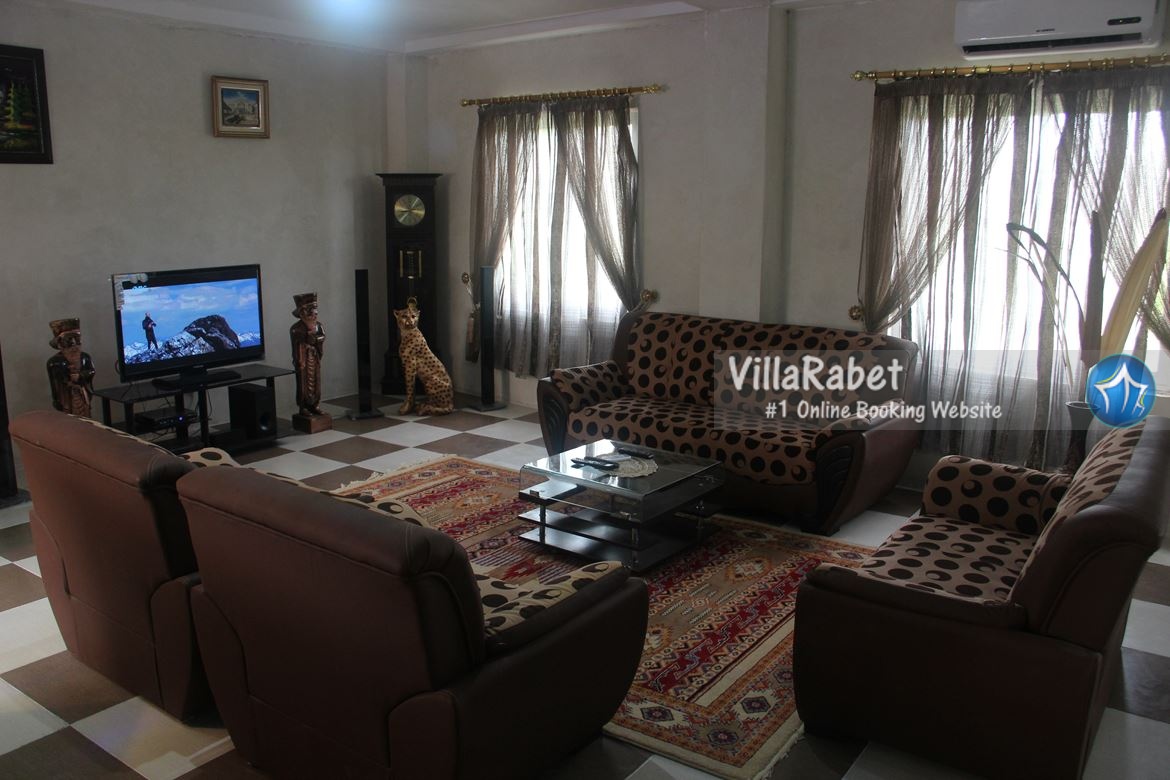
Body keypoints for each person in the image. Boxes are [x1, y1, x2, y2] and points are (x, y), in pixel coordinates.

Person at [46, 318, 96, 417]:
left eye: (76, 339)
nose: (74, 344)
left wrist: (80, 376)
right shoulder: (54, 362)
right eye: (69, 340)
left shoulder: (85, 357)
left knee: (86, 416)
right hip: (67, 398)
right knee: (69, 418)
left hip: (82, 393)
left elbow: (91, 371)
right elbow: (55, 384)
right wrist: (56, 400)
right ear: (60, 344)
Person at [290, 292, 325, 416]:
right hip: (303, 358)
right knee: (303, 382)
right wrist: (306, 338)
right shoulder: (296, 328)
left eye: (314, 310)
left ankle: (315, 404)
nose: (313, 313)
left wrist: (316, 340)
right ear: (301, 313)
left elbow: (322, 337)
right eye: (309, 310)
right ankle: (303, 406)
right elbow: (296, 342)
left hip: (314, 356)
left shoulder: (318, 326)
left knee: (316, 380)